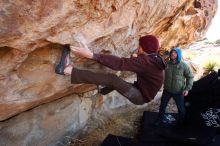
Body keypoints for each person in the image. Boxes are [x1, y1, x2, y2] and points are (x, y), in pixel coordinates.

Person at [55, 35, 166, 105]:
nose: (138, 47)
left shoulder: (147, 62)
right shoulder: (154, 59)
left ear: (143, 48)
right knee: (116, 82)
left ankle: (67, 70)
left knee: (113, 79)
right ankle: (102, 90)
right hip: (141, 91)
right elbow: (143, 69)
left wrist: (92, 55)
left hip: (140, 97)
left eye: (139, 45)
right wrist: (135, 60)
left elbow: (120, 64)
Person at [156, 47, 194, 124]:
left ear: (179, 55)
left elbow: (190, 77)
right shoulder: (167, 64)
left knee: (181, 109)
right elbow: (159, 68)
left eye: (175, 53)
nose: (173, 54)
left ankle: (182, 122)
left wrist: (187, 89)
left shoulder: (184, 65)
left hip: (179, 92)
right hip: (167, 90)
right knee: (162, 106)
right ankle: (159, 120)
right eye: (172, 52)